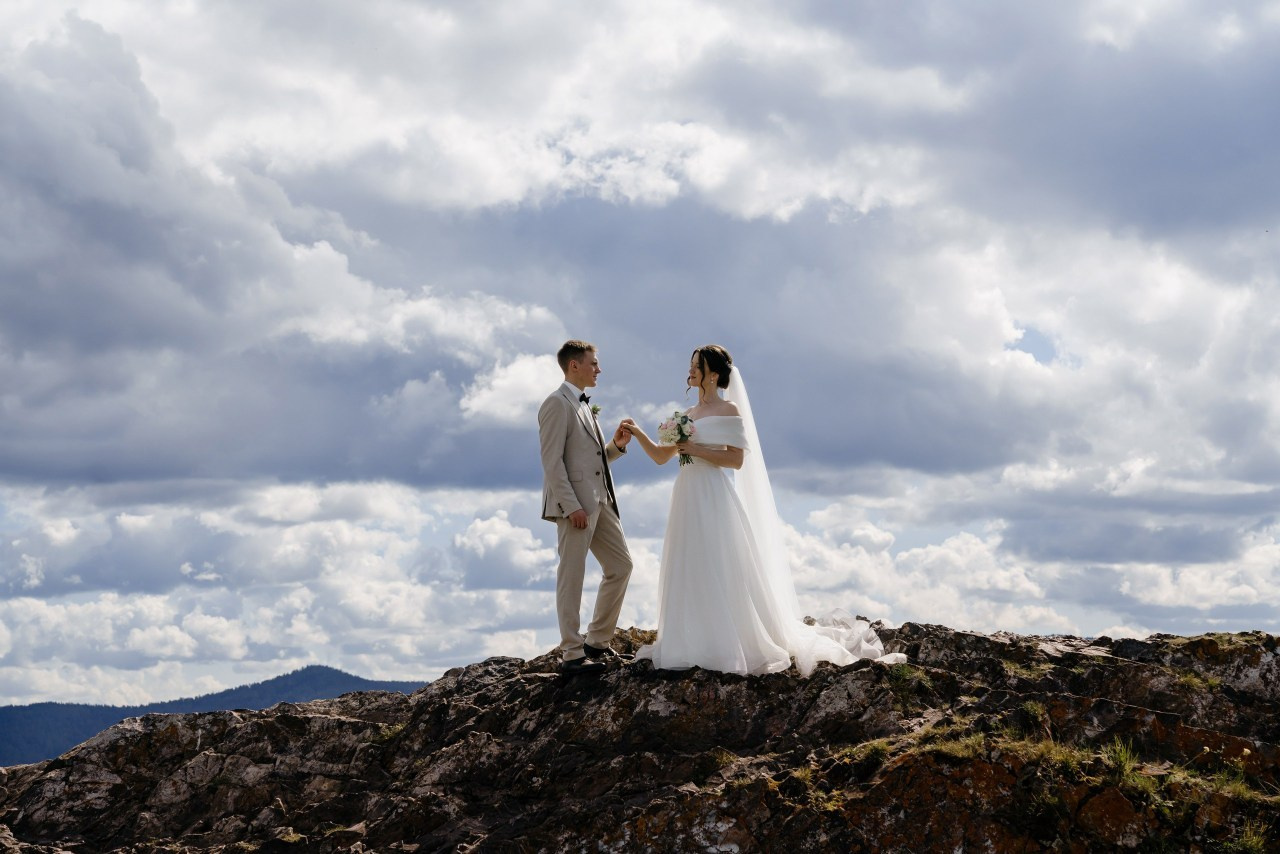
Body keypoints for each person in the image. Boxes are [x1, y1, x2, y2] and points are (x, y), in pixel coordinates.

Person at [622, 345, 905, 675]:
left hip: (712, 493)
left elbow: (736, 459)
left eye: (697, 365)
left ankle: (727, 642)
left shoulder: (728, 410)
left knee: (719, 562)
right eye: (691, 364)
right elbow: (661, 457)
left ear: (713, 374)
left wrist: (696, 449)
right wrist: (637, 432)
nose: (691, 370)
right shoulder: (685, 414)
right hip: (685, 493)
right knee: (688, 561)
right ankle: (690, 640)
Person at [539, 340, 636, 674]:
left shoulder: (582, 404)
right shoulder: (556, 403)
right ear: (574, 365)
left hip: (601, 500)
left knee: (621, 566)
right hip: (576, 506)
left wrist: (616, 446)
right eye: (593, 363)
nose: (599, 369)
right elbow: (552, 463)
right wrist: (570, 507)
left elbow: (590, 461)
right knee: (572, 575)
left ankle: (596, 642)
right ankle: (572, 652)